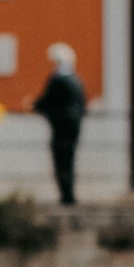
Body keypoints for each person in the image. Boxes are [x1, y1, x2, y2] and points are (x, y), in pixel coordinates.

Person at [32, 43, 86, 206]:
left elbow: (48, 100)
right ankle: (69, 194)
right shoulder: (76, 80)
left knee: (61, 159)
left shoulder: (58, 79)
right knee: (69, 159)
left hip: (61, 126)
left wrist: (34, 105)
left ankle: (66, 195)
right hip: (74, 126)